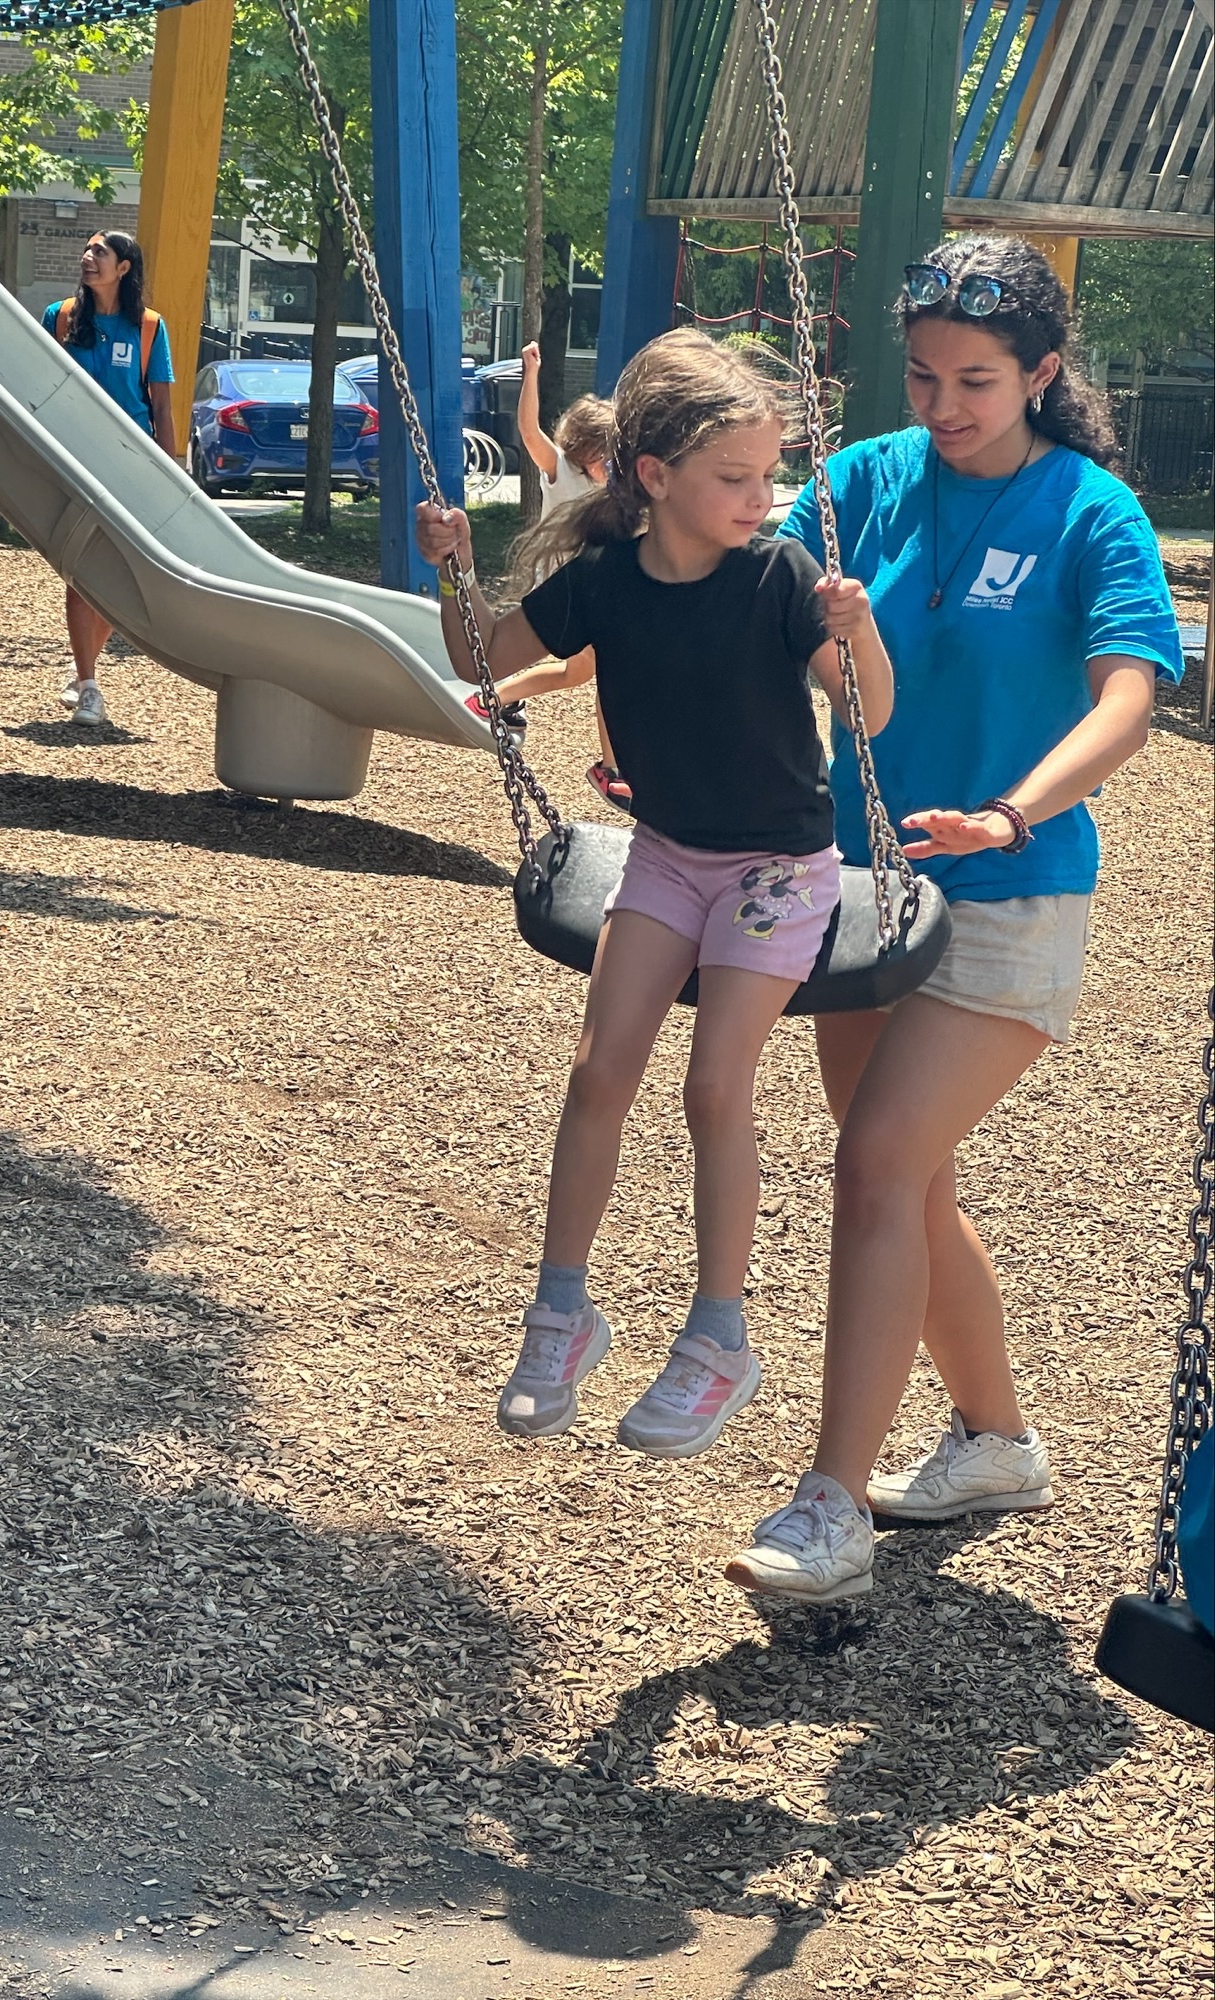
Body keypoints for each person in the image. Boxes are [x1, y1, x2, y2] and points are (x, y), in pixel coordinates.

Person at [723, 236, 1184, 1603]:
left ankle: (827, 1512)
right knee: (908, 1183)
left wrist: (1013, 812)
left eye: (976, 381)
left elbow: (1125, 696)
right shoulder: (858, 482)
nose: (942, 406)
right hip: (856, 893)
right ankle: (996, 1442)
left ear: (1041, 374)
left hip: (1005, 897)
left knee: (871, 1170)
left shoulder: (1090, 510)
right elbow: (736, 612)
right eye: (922, 376)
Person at [416, 328, 893, 1459]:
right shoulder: (600, 585)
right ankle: (561, 1310)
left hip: (779, 867)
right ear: (654, 478)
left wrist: (857, 629)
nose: (760, 497)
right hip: (668, 853)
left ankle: (718, 1333)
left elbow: (867, 712)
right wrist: (450, 564)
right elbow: (479, 653)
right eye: (735, 479)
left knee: (714, 1086)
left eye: (769, 476)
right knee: (598, 1071)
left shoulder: (779, 578)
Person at [464, 344, 628, 803]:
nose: (608, 464)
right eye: (603, 454)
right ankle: (611, 767)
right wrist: (531, 371)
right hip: (565, 587)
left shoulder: (611, 486)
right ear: (582, 450)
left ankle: (491, 698)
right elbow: (528, 430)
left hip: (591, 589)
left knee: (576, 673)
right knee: (609, 670)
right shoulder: (560, 470)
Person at [45, 231, 177, 726]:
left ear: (124, 268)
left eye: (100, 252)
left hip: (133, 464)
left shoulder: (147, 328)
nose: (88, 258)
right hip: (76, 459)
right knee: (82, 573)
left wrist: (171, 470)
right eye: (86, 249)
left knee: (119, 577)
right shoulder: (59, 318)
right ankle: (91, 689)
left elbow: (160, 405)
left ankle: (83, 674)